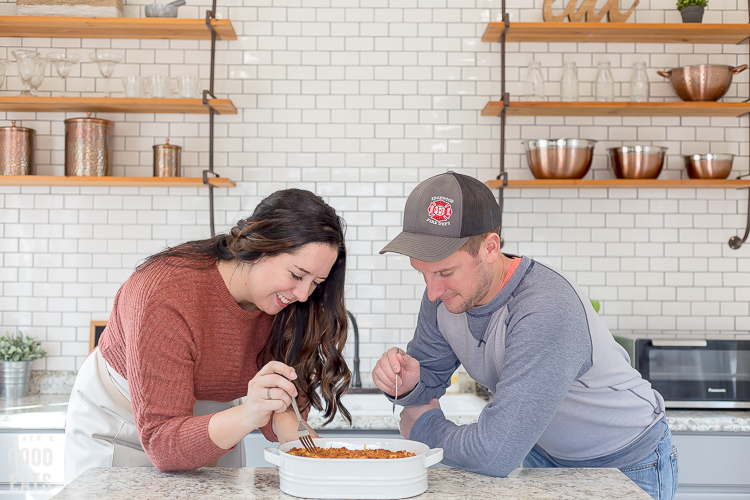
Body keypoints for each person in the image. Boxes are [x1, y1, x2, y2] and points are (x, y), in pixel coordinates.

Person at [373, 172, 677, 500]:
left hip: (625, 461)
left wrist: (424, 427)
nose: (432, 291)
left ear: (490, 247)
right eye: (423, 273)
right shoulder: (445, 296)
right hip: (540, 454)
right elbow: (427, 384)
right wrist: (408, 386)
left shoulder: (545, 307)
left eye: (446, 272)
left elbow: (494, 453)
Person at [64, 189, 351, 484]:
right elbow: (163, 444)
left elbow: (280, 395)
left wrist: (292, 431)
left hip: (215, 422)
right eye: (296, 275)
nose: (304, 295)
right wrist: (248, 415)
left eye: (316, 283)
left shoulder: (289, 303)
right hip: (122, 423)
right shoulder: (165, 293)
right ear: (261, 246)